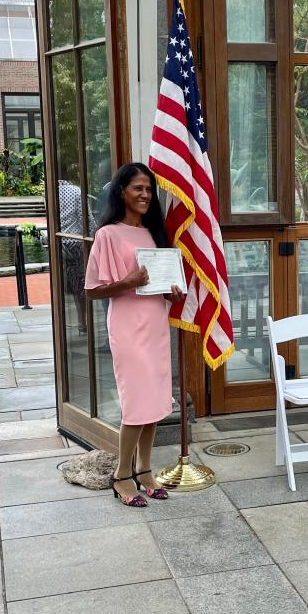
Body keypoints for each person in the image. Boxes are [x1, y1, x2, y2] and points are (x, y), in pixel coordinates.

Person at [85, 163, 182, 507]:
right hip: (127, 326)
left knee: (155, 401)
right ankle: (121, 475)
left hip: (155, 322)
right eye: (138, 188)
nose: (145, 195)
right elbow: (93, 290)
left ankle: (144, 470)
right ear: (122, 191)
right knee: (136, 401)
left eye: (149, 189)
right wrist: (128, 281)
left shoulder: (154, 234)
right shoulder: (108, 235)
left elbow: (159, 284)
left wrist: (172, 291)